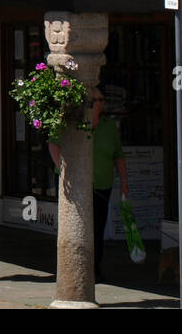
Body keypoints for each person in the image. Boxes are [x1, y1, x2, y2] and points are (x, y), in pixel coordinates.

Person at [49, 88, 129, 284]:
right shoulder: (71, 123)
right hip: (76, 186)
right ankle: (76, 270)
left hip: (102, 185)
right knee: (78, 227)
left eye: (101, 99)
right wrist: (63, 169)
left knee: (97, 228)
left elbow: (118, 155)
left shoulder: (109, 126)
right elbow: (53, 144)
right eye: (94, 100)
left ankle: (94, 269)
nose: (99, 103)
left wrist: (124, 182)